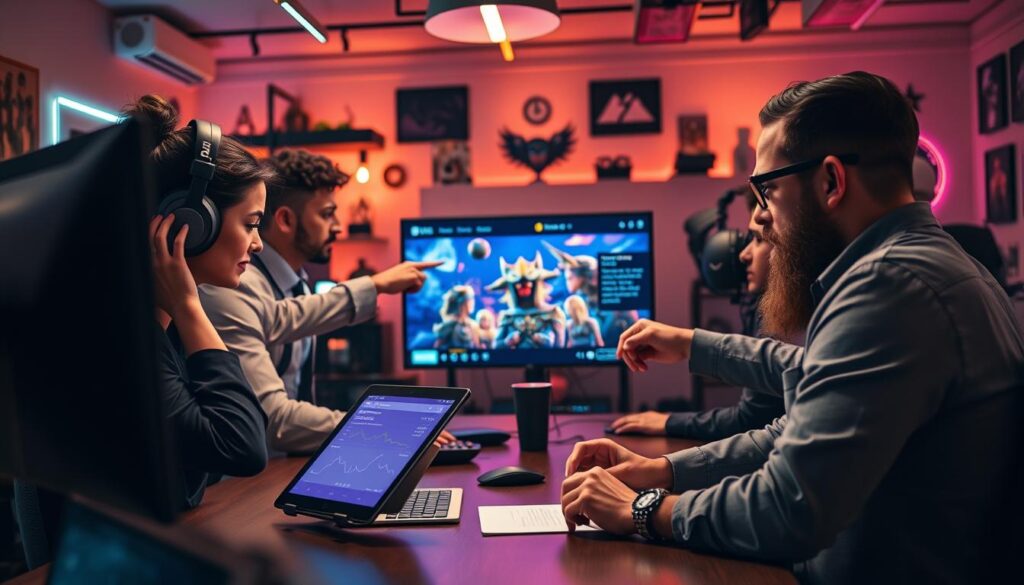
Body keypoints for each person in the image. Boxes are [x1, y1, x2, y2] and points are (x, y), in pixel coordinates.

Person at [560, 72, 1024, 584]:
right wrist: (662, 471)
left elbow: (790, 507)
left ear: (831, 182)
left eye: (767, 190)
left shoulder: (887, 286)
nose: (757, 219)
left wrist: (642, 509)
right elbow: (801, 429)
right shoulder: (939, 264)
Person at [199, 148, 449, 454]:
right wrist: (384, 427)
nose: (339, 226)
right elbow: (273, 418)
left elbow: (286, 316)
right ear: (286, 220)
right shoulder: (233, 284)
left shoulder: (296, 286)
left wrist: (376, 286)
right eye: (327, 214)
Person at [609, 195, 785, 438]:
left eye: (758, 239)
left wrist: (669, 423)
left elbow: (752, 420)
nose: (744, 255)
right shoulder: (773, 310)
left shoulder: (788, 323)